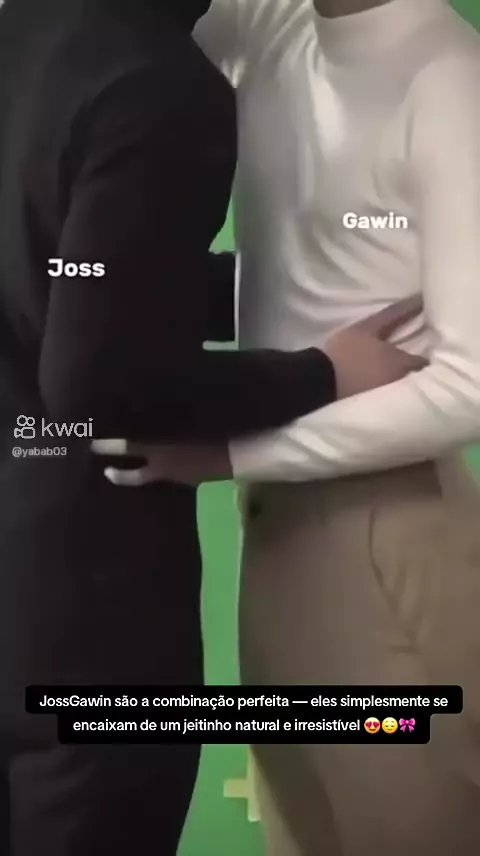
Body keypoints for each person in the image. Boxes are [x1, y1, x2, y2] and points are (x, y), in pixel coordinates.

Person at [0, 0, 425, 853]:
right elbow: (94, 381)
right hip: (79, 612)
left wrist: (290, 291)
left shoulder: (22, 39)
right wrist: (324, 374)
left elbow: (54, 278)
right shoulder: (153, 82)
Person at [98, 0, 480, 854]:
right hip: (281, 534)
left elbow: (471, 384)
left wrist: (235, 449)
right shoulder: (272, 23)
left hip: (385, 535)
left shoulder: (450, 81)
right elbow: (107, 38)